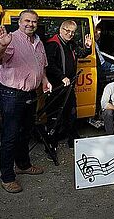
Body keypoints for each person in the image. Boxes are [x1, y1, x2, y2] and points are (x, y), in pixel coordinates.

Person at [0, 9, 52, 193]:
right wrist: (1, 46)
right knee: (11, 135)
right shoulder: (12, 39)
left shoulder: (39, 42)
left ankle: (23, 165)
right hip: (11, 94)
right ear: (19, 22)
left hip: (31, 93)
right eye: (27, 21)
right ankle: (7, 177)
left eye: (33, 21)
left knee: (26, 132)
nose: (30, 24)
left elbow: (41, 66)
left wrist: (45, 80)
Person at [45, 20, 92, 149]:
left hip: (69, 86)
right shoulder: (53, 44)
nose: (70, 34)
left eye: (72, 32)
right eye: (67, 31)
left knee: (71, 113)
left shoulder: (70, 44)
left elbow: (81, 54)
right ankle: (51, 143)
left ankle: (73, 140)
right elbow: (49, 65)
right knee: (54, 115)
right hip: (56, 86)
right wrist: (62, 77)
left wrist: (87, 47)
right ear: (61, 29)